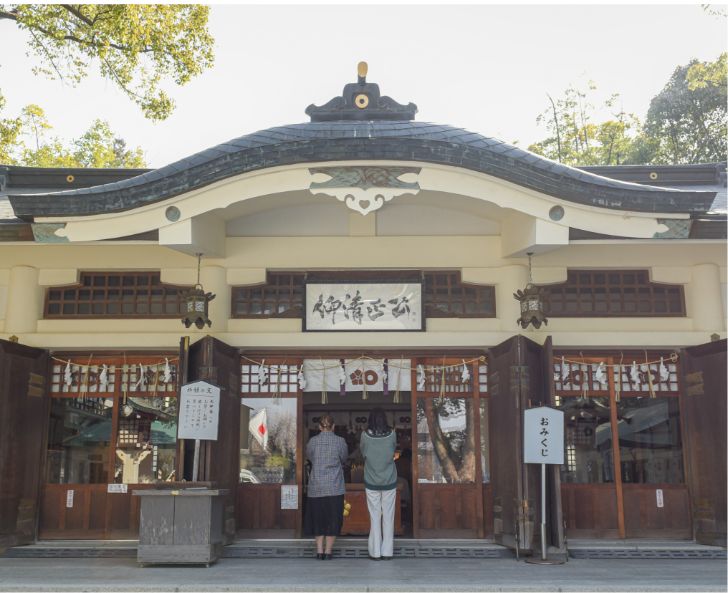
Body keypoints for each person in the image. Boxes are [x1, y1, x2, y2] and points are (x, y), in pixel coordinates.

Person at [304, 414, 348, 560]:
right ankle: (328, 551)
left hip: (316, 486)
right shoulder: (340, 441)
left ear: (319, 427)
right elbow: (344, 458)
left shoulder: (313, 442)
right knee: (332, 519)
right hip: (334, 486)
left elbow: (310, 457)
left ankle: (319, 551)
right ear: (333, 426)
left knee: (317, 518)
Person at [360, 407, 397, 560]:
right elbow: (393, 450)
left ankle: (375, 552)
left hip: (371, 480)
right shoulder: (392, 434)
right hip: (389, 479)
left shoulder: (365, 435)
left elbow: (363, 453)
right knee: (389, 516)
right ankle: (387, 552)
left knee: (375, 516)